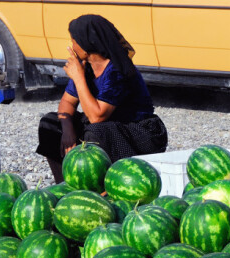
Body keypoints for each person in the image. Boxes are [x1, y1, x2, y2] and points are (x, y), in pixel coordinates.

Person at [36, 15, 168, 183]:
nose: (72, 46)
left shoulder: (117, 70)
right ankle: (64, 186)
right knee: (50, 124)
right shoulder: (86, 67)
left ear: (87, 43)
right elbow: (67, 102)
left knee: (96, 131)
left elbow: (97, 116)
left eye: (74, 40)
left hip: (139, 132)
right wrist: (67, 128)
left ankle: (103, 189)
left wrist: (78, 78)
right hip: (107, 128)